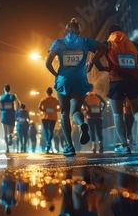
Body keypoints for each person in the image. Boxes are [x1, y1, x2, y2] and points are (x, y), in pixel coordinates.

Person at [45, 18, 108, 156]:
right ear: (79, 30)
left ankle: (69, 147)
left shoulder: (59, 42)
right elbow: (103, 48)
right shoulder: (86, 42)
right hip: (80, 80)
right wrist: (92, 61)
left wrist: (56, 74)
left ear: (66, 30)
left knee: (64, 112)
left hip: (64, 81)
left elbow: (47, 63)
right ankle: (81, 125)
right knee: (75, 111)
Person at [94, 24, 138, 154]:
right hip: (134, 79)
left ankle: (125, 146)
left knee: (118, 115)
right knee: (137, 112)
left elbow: (96, 55)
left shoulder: (107, 43)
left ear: (110, 33)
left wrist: (101, 68)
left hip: (116, 80)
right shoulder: (131, 44)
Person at [0, 84, 20, 153]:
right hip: (11, 114)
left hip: (4, 114)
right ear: (10, 89)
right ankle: (10, 136)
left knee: (4, 132)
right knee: (11, 131)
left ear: (4, 89)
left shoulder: (1, 96)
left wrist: (1, 110)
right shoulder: (13, 96)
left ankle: (7, 147)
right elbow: (18, 103)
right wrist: (16, 111)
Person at [38, 87, 60, 153]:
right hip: (53, 117)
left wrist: (44, 110)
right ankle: (49, 142)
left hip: (45, 117)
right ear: (52, 92)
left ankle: (48, 141)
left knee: (45, 130)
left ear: (46, 92)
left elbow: (39, 107)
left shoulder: (43, 99)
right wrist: (56, 110)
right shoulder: (55, 100)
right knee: (51, 130)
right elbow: (60, 106)